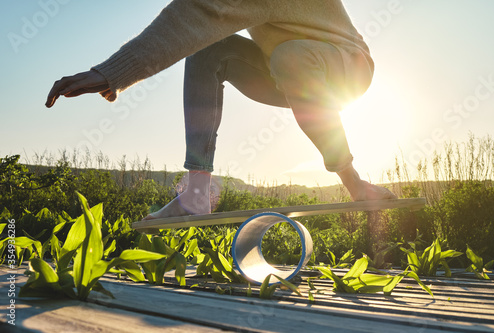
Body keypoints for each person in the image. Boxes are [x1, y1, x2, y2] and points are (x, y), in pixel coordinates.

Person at [46, 0, 397, 221]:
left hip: (346, 66)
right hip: (280, 67)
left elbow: (197, 12)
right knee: (207, 50)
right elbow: (194, 16)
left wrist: (108, 72)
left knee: (291, 55)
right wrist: (111, 73)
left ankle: (354, 183)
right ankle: (197, 192)